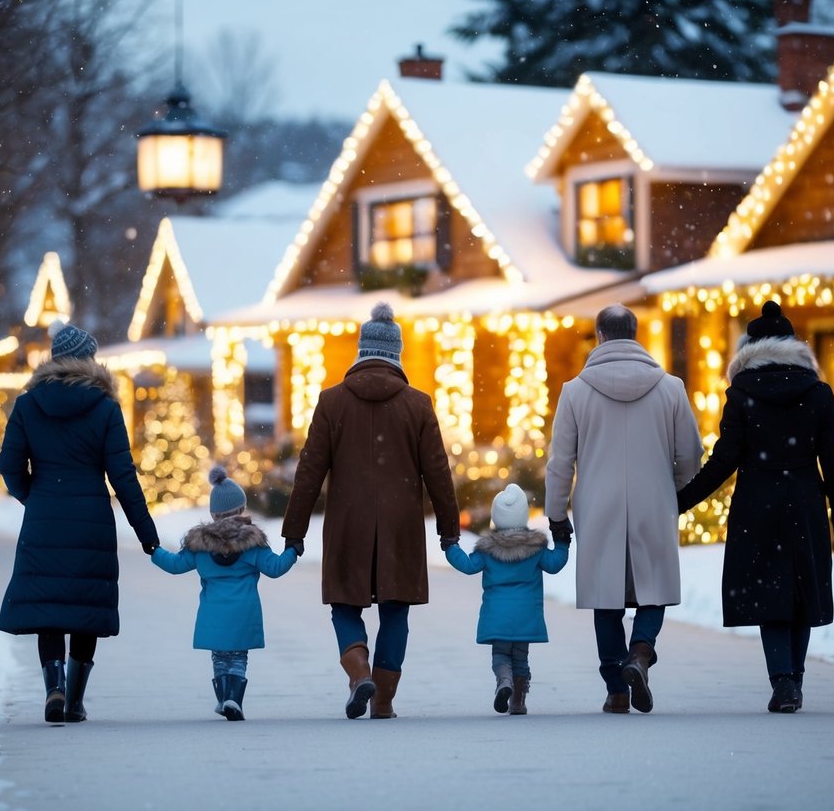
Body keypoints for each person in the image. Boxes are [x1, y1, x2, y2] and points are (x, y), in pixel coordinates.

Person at [282, 302, 460, 720]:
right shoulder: (418, 404)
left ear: (361, 350)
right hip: (401, 526)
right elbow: (438, 472)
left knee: (344, 605)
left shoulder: (331, 402)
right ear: (397, 353)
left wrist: (294, 531)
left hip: (348, 523)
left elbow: (309, 471)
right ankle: (383, 701)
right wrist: (449, 530)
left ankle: (359, 671)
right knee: (396, 609)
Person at [676, 301, 834, 714]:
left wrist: (682, 500)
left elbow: (724, 460)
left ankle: (782, 680)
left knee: (769, 594)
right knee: (802, 592)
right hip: (806, 503)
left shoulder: (742, 394)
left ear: (750, 349)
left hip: (757, 505)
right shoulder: (818, 394)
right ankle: (794, 678)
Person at [0, 319, 160, 724]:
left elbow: (9, 465)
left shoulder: (28, 405)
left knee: (48, 604)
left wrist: (34, 496)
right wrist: (147, 534)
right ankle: (74, 700)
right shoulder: (104, 408)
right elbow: (123, 476)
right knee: (84, 605)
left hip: (44, 517)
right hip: (91, 520)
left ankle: (53, 686)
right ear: (89, 361)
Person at [545, 304, 703, 714]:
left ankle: (616, 689)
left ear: (600, 335)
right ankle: (641, 653)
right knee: (654, 587)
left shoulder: (575, 391)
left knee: (607, 598)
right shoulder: (671, 388)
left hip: (599, 504)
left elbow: (561, 462)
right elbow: (690, 452)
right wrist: (676, 490)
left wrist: (557, 514)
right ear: (635, 333)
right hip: (655, 501)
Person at [150, 465, 298, 721]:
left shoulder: (200, 545)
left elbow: (175, 565)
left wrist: (153, 550)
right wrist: (293, 550)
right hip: (244, 613)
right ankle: (233, 699)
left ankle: (224, 699)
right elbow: (275, 568)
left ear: (213, 513)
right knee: (238, 658)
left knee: (220, 658)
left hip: (213, 615)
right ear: (241, 510)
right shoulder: (253, 543)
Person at [445, 484, 570, 715]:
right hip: (526, 615)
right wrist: (563, 542)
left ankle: (504, 681)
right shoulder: (535, 548)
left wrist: (450, 547)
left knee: (501, 654)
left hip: (497, 616)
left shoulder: (487, 550)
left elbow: (467, 566)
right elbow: (555, 564)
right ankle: (518, 702)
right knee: (521, 658)